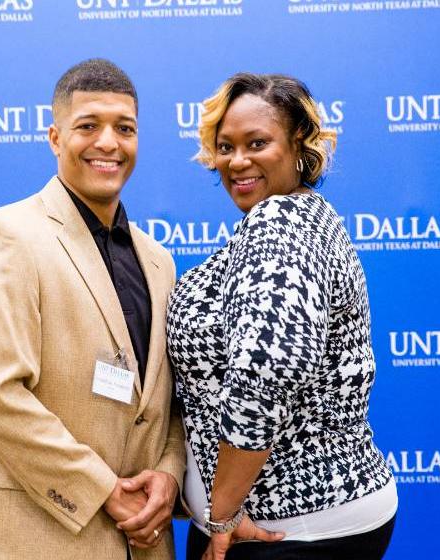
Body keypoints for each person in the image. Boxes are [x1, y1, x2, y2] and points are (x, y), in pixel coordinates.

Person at [0, 58, 185, 560]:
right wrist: (102, 490)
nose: (109, 142)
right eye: (89, 126)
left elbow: (167, 404)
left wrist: (169, 477)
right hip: (46, 541)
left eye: (124, 129)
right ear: (56, 138)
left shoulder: (159, 260)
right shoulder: (8, 234)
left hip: (148, 543)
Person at [166, 73, 397, 560]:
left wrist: (222, 516)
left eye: (257, 142)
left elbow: (267, 372)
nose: (237, 161)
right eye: (225, 146)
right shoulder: (300, 217)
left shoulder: (280, 224)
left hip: (286, 531)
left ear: (299, 145)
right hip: (301, 521)